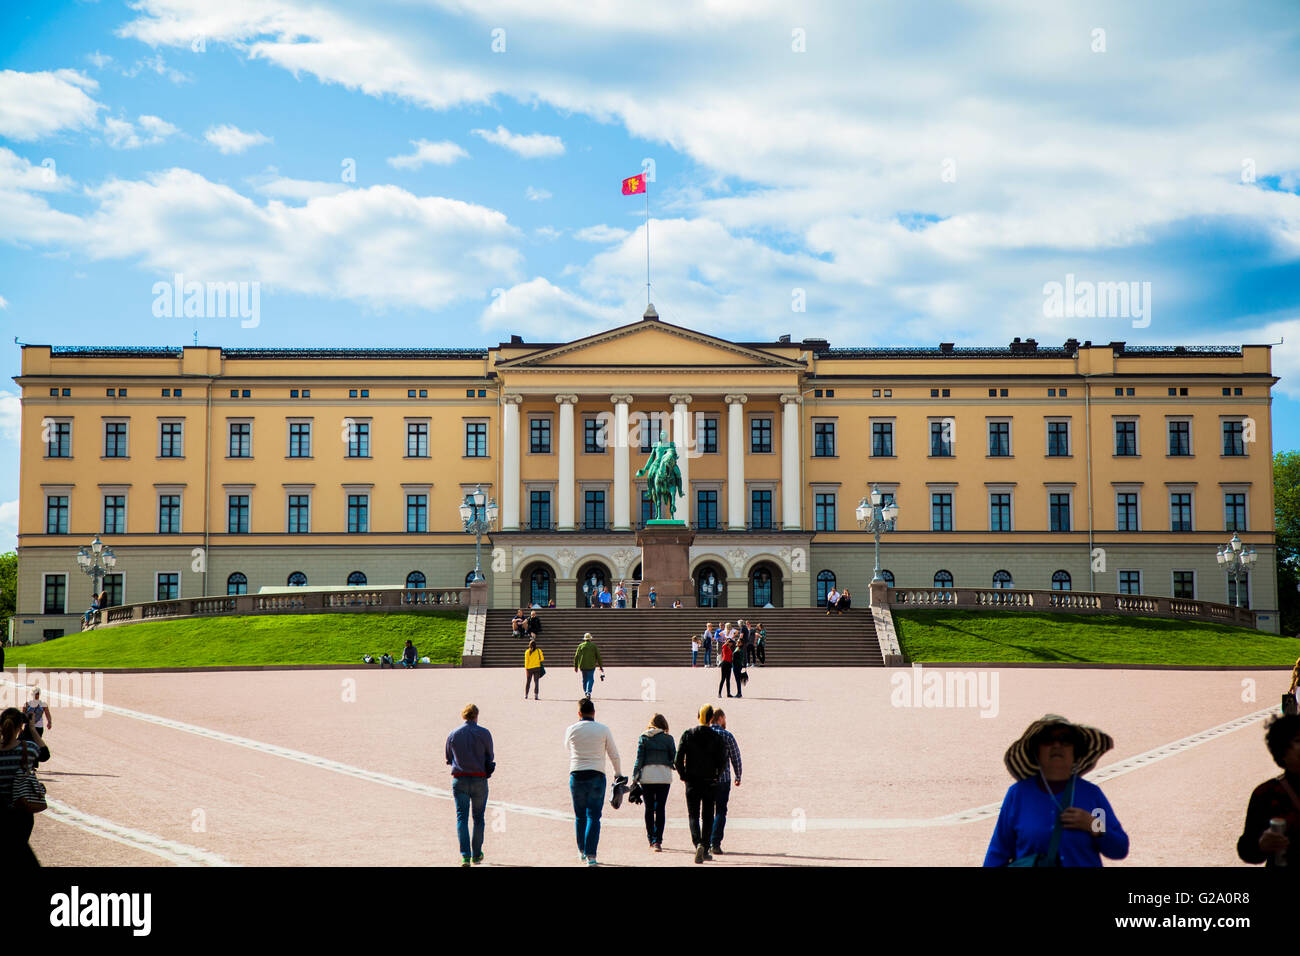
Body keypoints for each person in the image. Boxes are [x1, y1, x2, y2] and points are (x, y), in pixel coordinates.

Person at [983, 714, 1129, 867]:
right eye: (1047, 740)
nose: (1056, 745)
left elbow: (1120, 848)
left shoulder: (1092, 795)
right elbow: (997, 853)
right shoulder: (1018, 795)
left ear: (1075, 752)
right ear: (1036, 752)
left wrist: (1093, 825)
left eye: (1065, 740)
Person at [1237, 714, 1300, 867]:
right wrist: (1262, 845)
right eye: (1298, 741)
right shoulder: (1266, 794)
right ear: (1282, 751)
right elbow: (1247, 850)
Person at [565, 697, 622, 865]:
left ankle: (581, 849)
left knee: (580, 815)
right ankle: (591, 855)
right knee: (594, 816)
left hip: (576, 775)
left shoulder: (571, 729)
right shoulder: (603, 729)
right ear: (594, 712)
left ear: (579, 713)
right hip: (596, 775)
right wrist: (618, 774)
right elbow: (614, 754)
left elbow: (567, 746)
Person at [675, 704, 727, 863]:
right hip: (709, 781)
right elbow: (723, 761)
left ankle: (697, 843)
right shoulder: (717, 737)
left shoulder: (688, 734)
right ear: (712, 718)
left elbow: (678, 760)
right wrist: (717, 776)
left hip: (692, 781)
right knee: (708, 816)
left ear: (698, 716)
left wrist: (683, 775)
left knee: (693, 815)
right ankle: (705, 847)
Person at [446, 703, 494, 866]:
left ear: (463, 716)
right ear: (476, 716)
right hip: (479, 779)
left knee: (462, 818)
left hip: (460, 779)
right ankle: (476, 853)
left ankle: (465, 855)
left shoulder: (453, 734)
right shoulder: (484, 733)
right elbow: (490, 755)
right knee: (478, 818)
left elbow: (448, 756)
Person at [0, 708, 44, 866]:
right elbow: (45, 754)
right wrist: (31, 729)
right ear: (20, 726)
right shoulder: (29, 748)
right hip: (22, 810)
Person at [633, 713, 676, 851]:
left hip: (647, 777)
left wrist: (635, 777)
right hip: (664, 777)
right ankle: (658, 840)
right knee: (661, 808)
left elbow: (639, 759)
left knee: (649, 808)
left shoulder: (644, 737)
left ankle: (651, 838)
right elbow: (673, 758)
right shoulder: (668, 739)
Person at [709, 708, 743, 855]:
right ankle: (715, 843)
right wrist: (738, 776)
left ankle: (704, 842)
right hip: (723, 779)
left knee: (707, 811)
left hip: (705, 779)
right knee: (721, 811)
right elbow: (736, 756)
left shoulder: (704, 734)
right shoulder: (727, 735)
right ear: (720, 718)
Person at [573, 632, 605, 698]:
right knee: (590, 679)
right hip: (591, 665)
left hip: (582, 665)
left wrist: (575, 666)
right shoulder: (593, 646)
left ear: (584, 639)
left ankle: (586, 692)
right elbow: (598, 656)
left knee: (584, 679)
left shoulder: (580, 646)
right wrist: (600, 666)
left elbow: (576, 656)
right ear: (590, 639)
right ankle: (588, 692)